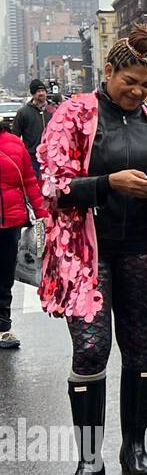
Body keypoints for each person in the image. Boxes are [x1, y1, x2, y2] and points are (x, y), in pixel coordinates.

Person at [36, 26, 147, 475]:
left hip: (142, 249)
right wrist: (109, 184)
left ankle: (134, 448)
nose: (139, 92)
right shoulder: (74, 114)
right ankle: (88, 459)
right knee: (90, 350)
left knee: (141, 349)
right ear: (109, 71)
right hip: (85, 255)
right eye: (131, 82)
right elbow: (54, 187)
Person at [0, 115, 48, 349]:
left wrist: (43, 216)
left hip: (10, 223)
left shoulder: (13, 143)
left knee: (4, 276)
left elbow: (29, 181)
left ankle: (3, 327)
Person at [14, 79, 55, 176]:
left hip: (52, 156)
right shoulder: (23, 112)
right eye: (38, 91)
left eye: (43, 91)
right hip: (32, 157)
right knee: (36, 185)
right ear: (33, 94)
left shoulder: (54, 110)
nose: (41, 93)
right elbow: (15, 135)